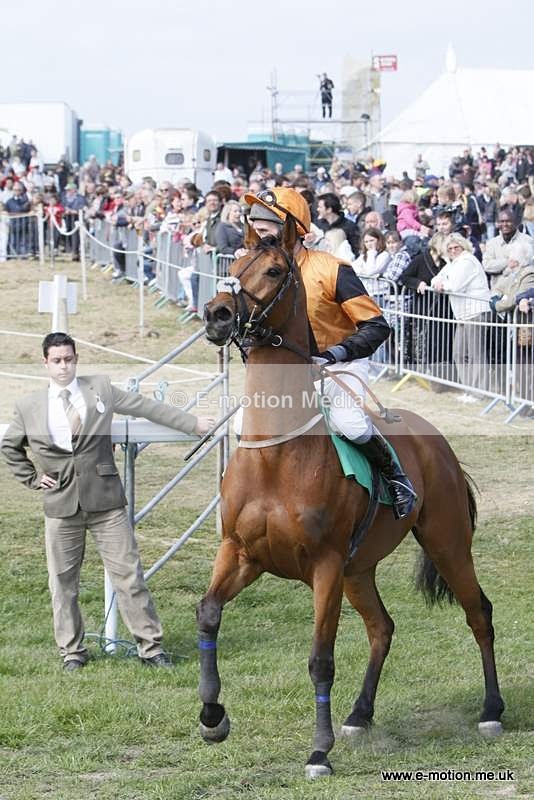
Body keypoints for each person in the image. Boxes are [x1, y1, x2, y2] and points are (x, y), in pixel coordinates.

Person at [0, 333, 215, 672]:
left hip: (107, 503)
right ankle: (72, 651)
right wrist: (30, 476)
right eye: (56, 360)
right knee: (62, 583)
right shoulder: (28, 406)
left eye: (68, 359)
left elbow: (145, 405)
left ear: (76, 358)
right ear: (45, 363)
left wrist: (192, 423)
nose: (63, 366)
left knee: (129, 576)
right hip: (61, 506)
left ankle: (151, 648)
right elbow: (10, 446)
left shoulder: (99, 387)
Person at [242, 187, 417, 519]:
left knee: (348, 423)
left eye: (265, 229)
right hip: (291, 371)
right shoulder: (257, 271)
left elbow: (377, 326)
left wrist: (334, 354)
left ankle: (396, 476)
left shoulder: (332, 269)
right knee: (242, 421)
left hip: (341, 362)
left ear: (291, 228)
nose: (256, 235)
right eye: (254, 227)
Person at [431, 234, 492, 395]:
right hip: (462, 314)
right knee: (459, 353)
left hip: (476, 311)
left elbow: (456, 286)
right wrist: (439, 283)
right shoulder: (452, 264)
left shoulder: (467, 260)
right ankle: (469, 389)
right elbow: (435, 279)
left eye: (456, 247)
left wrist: (441, 284)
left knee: (475, 354)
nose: (453, 251)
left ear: (463, 247)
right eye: (449, 249)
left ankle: (479, 392)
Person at [483, 209, 534, 288]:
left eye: (508, 221)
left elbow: (524, 266)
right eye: (501, 221)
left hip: (520, 291)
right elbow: (487, 266)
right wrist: (507, 262)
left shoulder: (527, 241)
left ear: (515, 223)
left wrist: (502, 270)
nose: (504, 224)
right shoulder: (492, 243)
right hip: (497, 292)